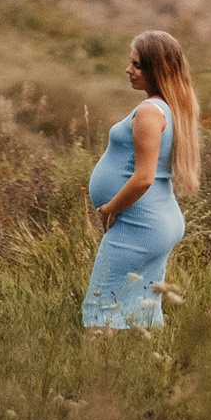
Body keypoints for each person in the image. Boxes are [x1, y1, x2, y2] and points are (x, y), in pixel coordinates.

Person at [83, 29, 201, 332]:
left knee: (100, 310)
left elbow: (144, 178)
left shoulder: (150, 112)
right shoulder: (171, 107)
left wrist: (109, 210)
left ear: (156, 70)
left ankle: (93, 378)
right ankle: (150, 373)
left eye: (136, 65)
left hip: (139, 226)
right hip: (156, 222)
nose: (128, 70)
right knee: (142, 311)